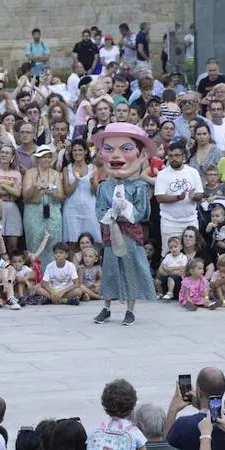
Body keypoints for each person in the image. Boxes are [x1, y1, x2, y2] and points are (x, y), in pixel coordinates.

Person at [92, 122, 157, 326]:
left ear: (141, 155)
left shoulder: (139, 186)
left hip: (130, 235)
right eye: (108, 149)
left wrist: (126, 209)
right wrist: (111, 213)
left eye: (127, 149)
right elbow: (99, 211)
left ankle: (130, 309)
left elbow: (142, 213)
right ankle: (106, 307)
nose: (116, 156)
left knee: (130, 270)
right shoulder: (104, 187)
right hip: (111, 235)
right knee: (110, 270)